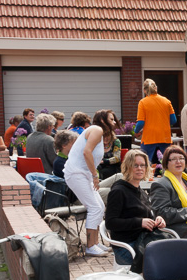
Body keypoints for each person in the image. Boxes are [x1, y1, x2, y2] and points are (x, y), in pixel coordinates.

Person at [63, 109, 117, 257]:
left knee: (100, 206)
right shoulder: (97, 130)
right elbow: (86, 152)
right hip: (76, 174)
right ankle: (90, 246)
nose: (114, 122)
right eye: (111, 119)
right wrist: (95, 175)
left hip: (83, 174)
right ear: (102, 120)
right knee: (94, 207)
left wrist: (92, 174)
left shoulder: (98, 132)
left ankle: (96, 243)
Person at [104, 150, 166, 267]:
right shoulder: (118, 191)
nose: (140, 169)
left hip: (143, 241)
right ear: (127, 167)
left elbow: (147, 214)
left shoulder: (140, 191)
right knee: (167, 257)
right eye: (135, 165)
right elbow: (110, 223)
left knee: (174, 250)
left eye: (143, 165)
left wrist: (157, 219)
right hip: (127, 246)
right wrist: (140, 222)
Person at [136, 79, 176, 161]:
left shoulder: (143, 102)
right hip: (165, 138)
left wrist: (136, 131)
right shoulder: (166, 101)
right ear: (156, 88)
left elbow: (140, 122)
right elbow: (173, 120)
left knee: (147, 164)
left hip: (149, 139)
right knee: (166, 163)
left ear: (144, 90)